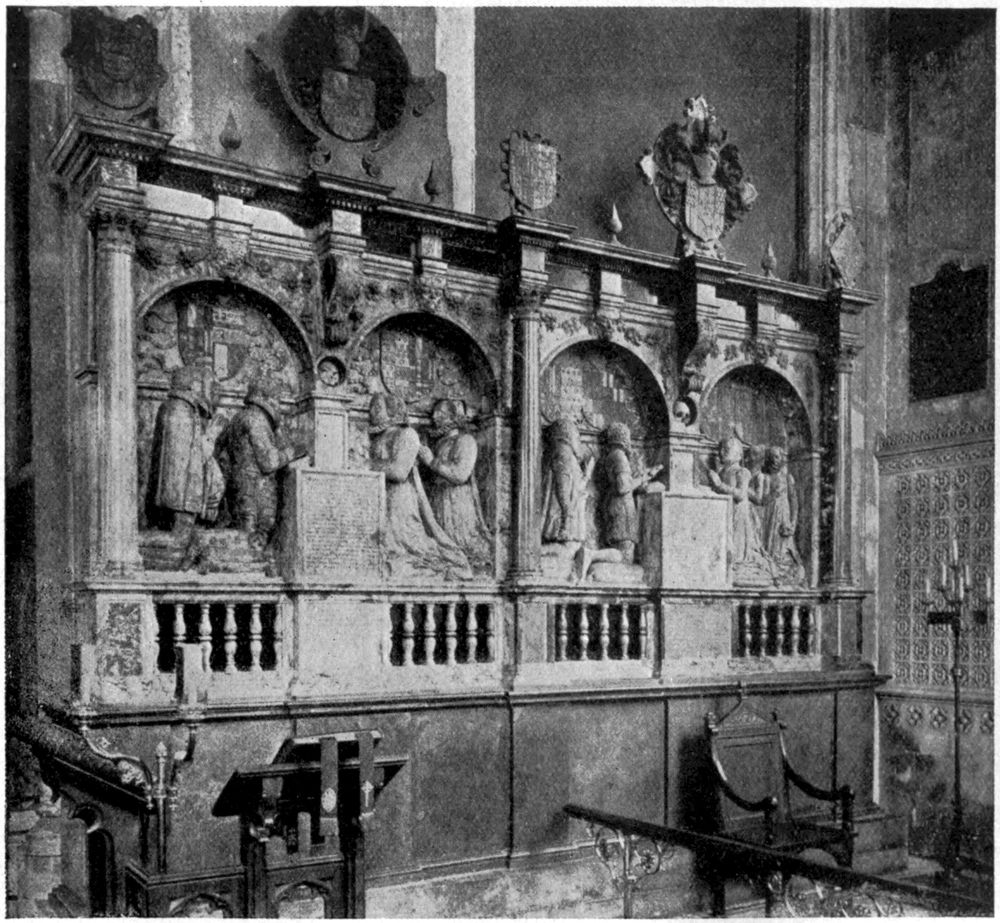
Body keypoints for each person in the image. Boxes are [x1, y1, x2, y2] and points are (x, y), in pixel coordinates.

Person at [369, 393, 472, 580]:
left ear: (391, 410)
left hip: (401, 498)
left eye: (377, 408)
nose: (371, 413)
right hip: (380, 495)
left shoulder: (407, 434)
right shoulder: (378, 439)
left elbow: (399, 472)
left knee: (406, 543)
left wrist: (368, 465)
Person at [216, 380, 299, 551]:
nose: (278, 405)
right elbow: (268, 462)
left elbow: (221, 454)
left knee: (244, 538)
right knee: (253, 542)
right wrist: (292, 452)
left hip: (238, 490)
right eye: (276, 399)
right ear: (265, 398)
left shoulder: (238, 418)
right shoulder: (257, 419)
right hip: (256, 493)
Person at [149, 366, 222, 540]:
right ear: (193, 386)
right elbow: (195, 457)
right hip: (182, 499)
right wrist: (212, 435)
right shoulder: (184, 411)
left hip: (170, 496)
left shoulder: (169, 407)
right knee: (182, 539)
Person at [421, 399, 492, 573]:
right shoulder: (440, 443)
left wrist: (431, 462)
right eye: (434, 413)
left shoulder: (465, 440)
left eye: (440, 413)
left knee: (460, 542)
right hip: (439, 497)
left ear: (453, 417)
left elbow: (461, 474)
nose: (434, 417)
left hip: (457, 501)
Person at [598, 422, 662, 563]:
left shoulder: (611, 456)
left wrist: (640, 477)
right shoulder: (620, 457)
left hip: (615, 504)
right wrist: (646, 476)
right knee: (625, 554)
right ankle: (592, 555)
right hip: (623, 507)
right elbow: (623, 487)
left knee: (622, 550)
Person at [707, 433, 762, 565]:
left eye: (726, 450)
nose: (721, 452)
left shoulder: (742, 472)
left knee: (736, 546)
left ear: (739, 455)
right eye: (720, 449)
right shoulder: (721, 472)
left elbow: (741, 495)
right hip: (725, 511)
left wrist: (719, 485)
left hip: (738, 512)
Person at [541, 418, 594, 545]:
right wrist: (567, 518)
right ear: (569, 436)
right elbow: (562, 489)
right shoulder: (564, 454)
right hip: (564, 528)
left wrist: (587, 474)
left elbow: (576, 489)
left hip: (567, 525)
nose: (579, 442)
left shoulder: (566, 456)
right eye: (577, 437)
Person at [759, 446, 803, 580]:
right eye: (772, 457)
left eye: (777, 457)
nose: (775, 460)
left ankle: (786, 574)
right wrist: (773, 495)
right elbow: (762, 501)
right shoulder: (765, 477)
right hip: (769, 516)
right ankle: (772, 574)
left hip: (784, 516)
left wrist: (793, 523)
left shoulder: (787, 478)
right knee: (769, 546)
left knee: (784, 547)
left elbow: (794, 501)